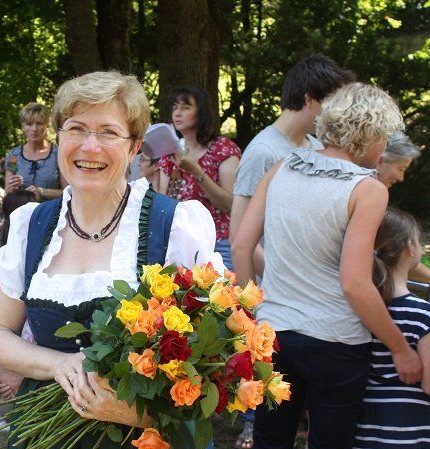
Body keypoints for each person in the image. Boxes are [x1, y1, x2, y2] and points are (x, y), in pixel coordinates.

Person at [0, 71, 225, 449]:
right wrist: (59, 364)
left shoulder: (174, 225)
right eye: (76, 129)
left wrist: (139, 411)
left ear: (134, 148)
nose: (90, 146)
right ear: (59, 138)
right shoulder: (32, 225)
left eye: (109, 132)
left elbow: (212, 362)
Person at [231, 83, 421, 449]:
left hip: (274, 336)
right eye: (383, 138)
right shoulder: (367, 190)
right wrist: (400, 348)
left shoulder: (281, 169)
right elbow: (355, 283)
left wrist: (249, 315)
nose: (383, 150)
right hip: (336, 345)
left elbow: (241, 245)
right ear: (368, 135)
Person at [229, 54, 355, 279]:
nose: (337, 115)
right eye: (332, 105)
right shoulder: (262, 152)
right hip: (273, 290)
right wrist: (281, 282)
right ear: (310, 100)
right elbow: (238, 236)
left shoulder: (317, 146)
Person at [349, 208, 430, 449]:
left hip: (371, 423)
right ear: (410, 249)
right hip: (407, 430)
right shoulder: (422, 313)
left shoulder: (363, 312)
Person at [158, 86, 240, 269]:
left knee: (220, 288)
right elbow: (163, 201)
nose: (177, 113)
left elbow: (230, 206)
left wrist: (196, 171)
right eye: (174, 107)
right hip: (179, 244)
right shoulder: (169, 152)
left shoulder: (222, 149)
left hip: (218, 244)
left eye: (185, 107)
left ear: (201, 112)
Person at [1, 103, 64, 244]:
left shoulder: (58, 154)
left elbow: (68, 192)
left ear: (47, 126)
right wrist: (12, 186)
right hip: (20, 221)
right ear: (23, 127)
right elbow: (7, 192)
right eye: (29, 124)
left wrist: (41, 191)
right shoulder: (14, 156)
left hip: (50, 219)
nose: (34, 129)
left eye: (39, 123)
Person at [375, 132, 430, 284]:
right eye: (401, 168)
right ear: (380, 160)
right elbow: (397, 258)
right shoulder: (371, 196)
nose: (401, 178)